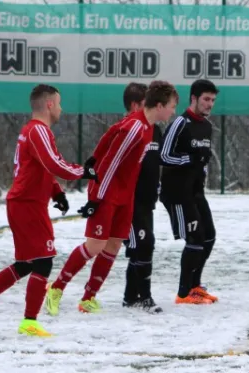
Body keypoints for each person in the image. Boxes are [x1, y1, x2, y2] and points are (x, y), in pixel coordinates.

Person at [0, 84, 98, 336]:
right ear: (48, 104)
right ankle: (29, 322)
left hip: (24, 203)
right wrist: (84, 171)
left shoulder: (32, 131)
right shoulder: (38, 131)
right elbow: (53, 163)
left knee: (26, 264)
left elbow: (42, 166)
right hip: (27, 205)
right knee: (44, 260)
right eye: (58, 103)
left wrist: (55, 191)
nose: (60, 108)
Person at [45, 81, 178, 315]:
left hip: (126, 196)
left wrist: (93, 156)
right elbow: (111, 163)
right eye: (171, 106)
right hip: (106, 193)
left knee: (114, 244)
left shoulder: (145, 124)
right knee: (95, 245)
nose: (173, 112)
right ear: (159, 105)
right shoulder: (136, 128)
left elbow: (111, 132)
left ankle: (88, 297)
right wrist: (95, 198)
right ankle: (56, 289)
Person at [159, 79, 218, 305]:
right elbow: (163, 155)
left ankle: (195, 285)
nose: (209, 104)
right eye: (206, 99)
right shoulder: (180, 123)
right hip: (177, 193)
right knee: (195, 239)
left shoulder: (207, 126)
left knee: (209, 236)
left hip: (195, 191)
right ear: (193, 98)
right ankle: (184, 294)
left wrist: (201, 166)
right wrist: (188, 159)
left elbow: (201, 161)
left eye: (212, 100)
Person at [121, 83, 164, 313]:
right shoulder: (126, 129)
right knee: (143, 244)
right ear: (136, 105)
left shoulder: (155, 130)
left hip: (147, 201)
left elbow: (160, 160)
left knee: (143, 246)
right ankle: (144, 297)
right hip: (128, 202)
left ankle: (130, 297)